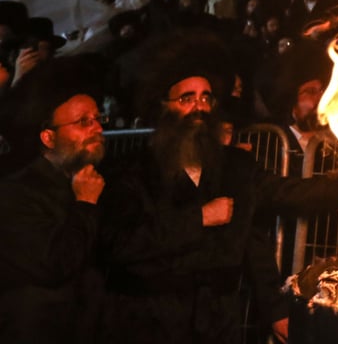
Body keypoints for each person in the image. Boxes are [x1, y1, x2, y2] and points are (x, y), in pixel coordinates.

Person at [98, 50, 289, 343]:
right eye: (186, 99)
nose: (198, 107)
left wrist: (276, 311)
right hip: (150, 322)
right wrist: (199, 218)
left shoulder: (235, 168)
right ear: (164, 107)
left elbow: (253, 242)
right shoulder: (131, 171)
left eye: (205, 98)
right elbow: (120, 244)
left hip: (218, 323)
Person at [0, 57, 107, 343]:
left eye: (98, 118)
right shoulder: (16, 194)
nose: (97, 129)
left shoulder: (98, 182)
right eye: (83, 121)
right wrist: (84, 205)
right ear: (48, 137)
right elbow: (53, 265)